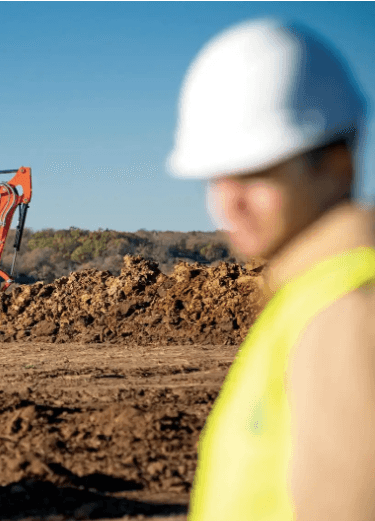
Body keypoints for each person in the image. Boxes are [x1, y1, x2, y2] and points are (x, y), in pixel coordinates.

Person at [167, 19, 374, 521]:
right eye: (217, 177)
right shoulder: (307, 299)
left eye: (256, 172)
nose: (227, 203)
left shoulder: (350, 313)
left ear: (336, 164)